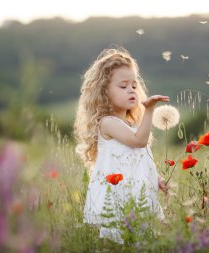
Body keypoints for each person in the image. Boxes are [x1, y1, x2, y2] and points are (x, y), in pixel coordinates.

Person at [73, 47, 170, 244]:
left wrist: (156, 177)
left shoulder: (132, 124)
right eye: (123, 86)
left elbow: (139, 156)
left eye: (134, 85)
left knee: (143, 239)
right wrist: (149, 110)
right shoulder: (108, 123)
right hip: (119, 198)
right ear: (104, 92)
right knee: (124, 240)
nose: (131, 90)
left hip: (137, 194)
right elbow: (139, 142)